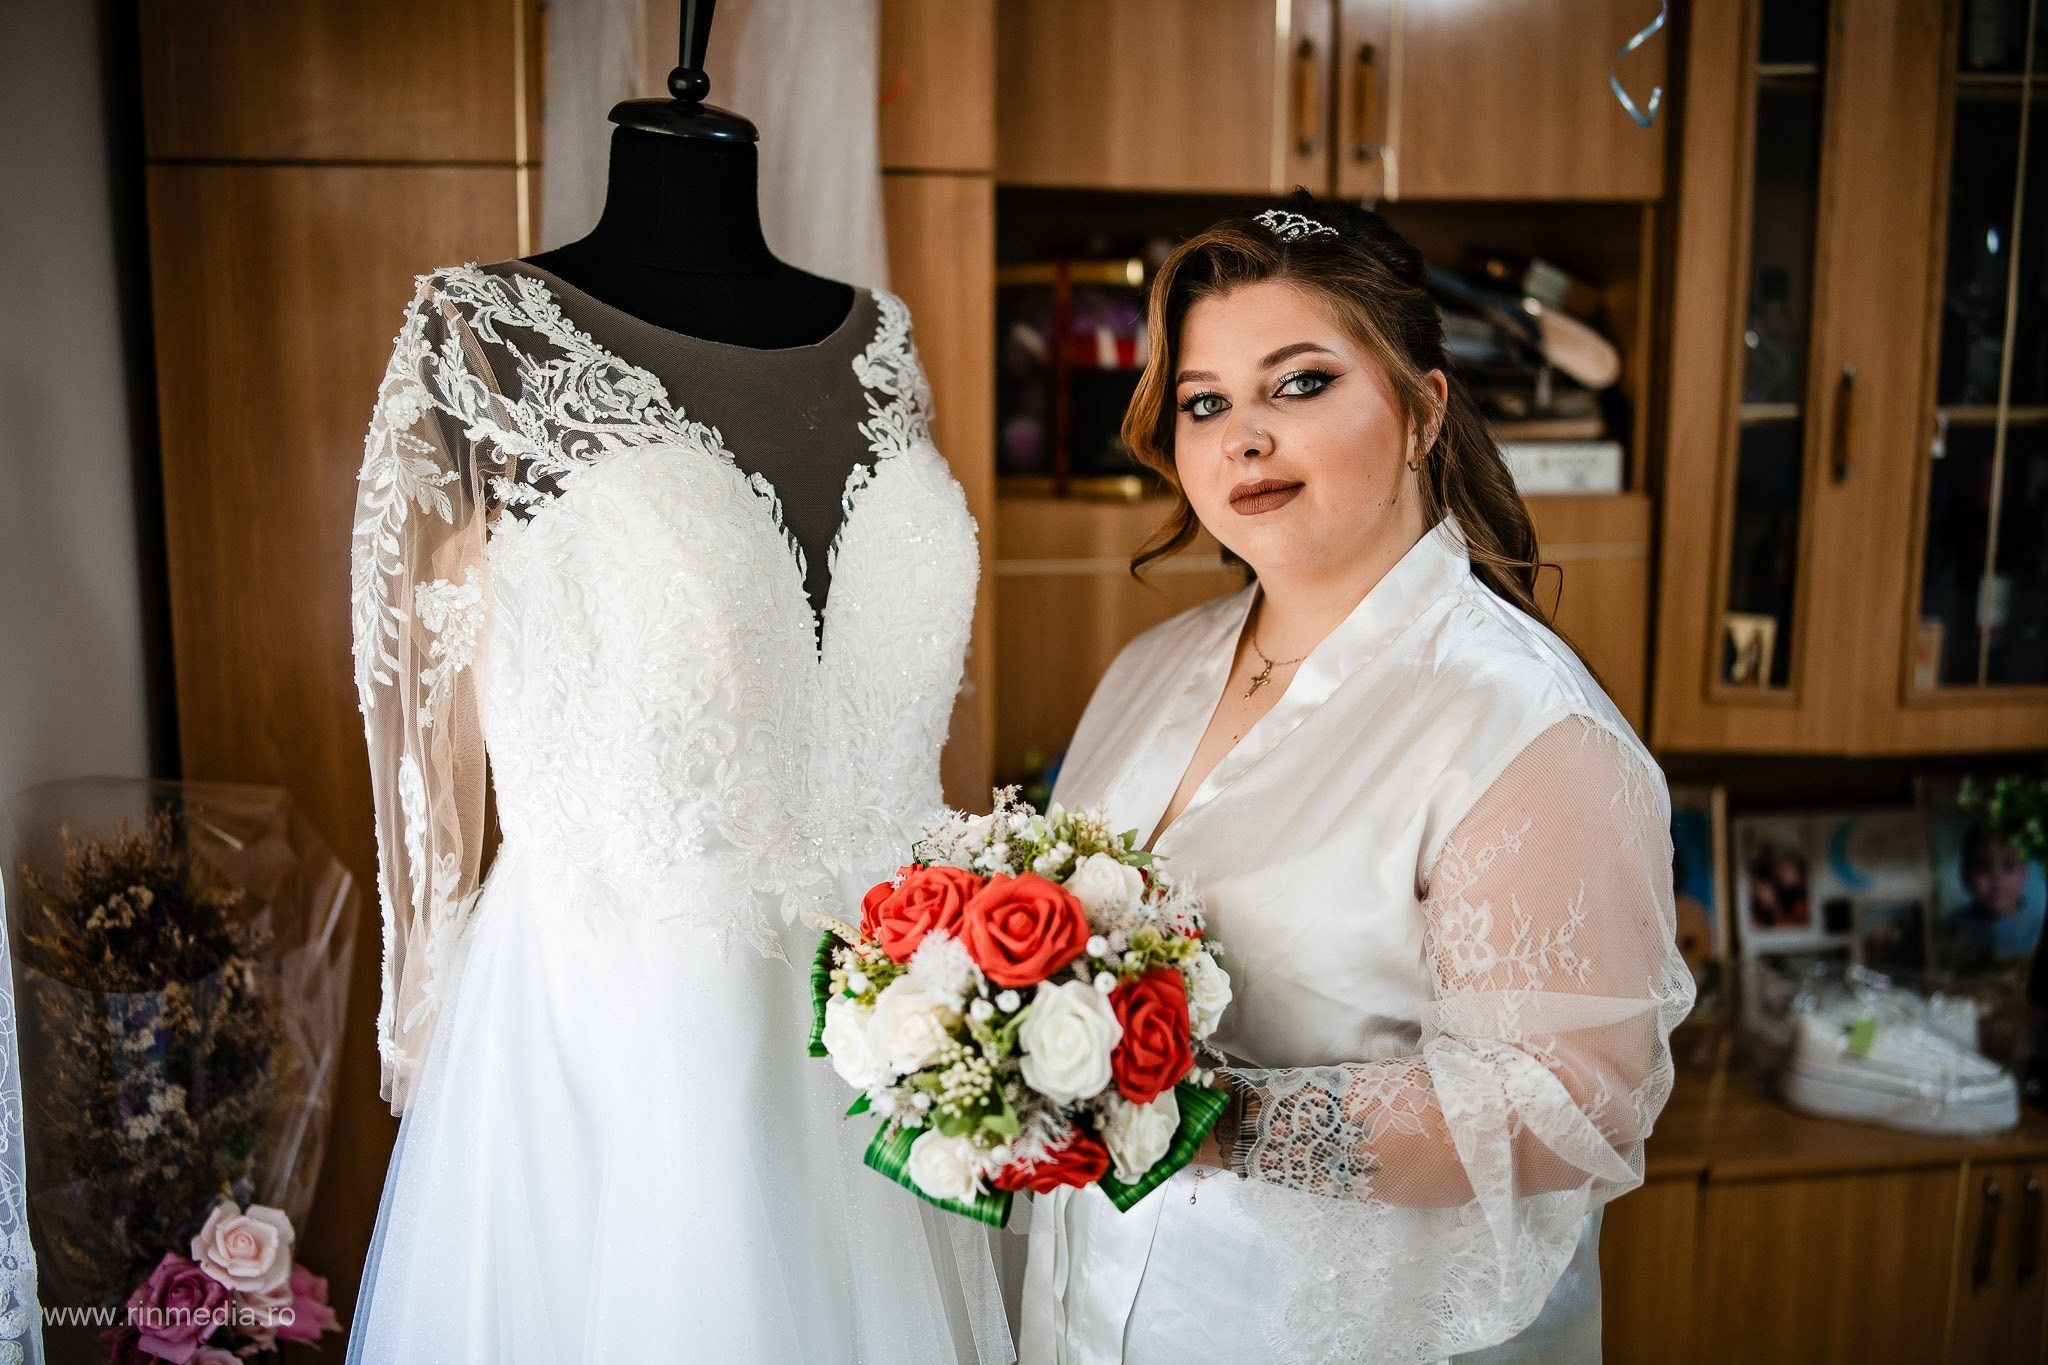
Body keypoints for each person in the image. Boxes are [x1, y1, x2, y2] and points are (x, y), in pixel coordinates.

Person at [1017, 194, 1693, 1363]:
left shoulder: (1522, 726)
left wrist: (1210, 1122)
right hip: (1088, 1314)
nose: (1242, 437)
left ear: (1422, 407)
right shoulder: (1145, 672)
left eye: (1300, 383)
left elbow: (1569, 1104)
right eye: (1204, 401)